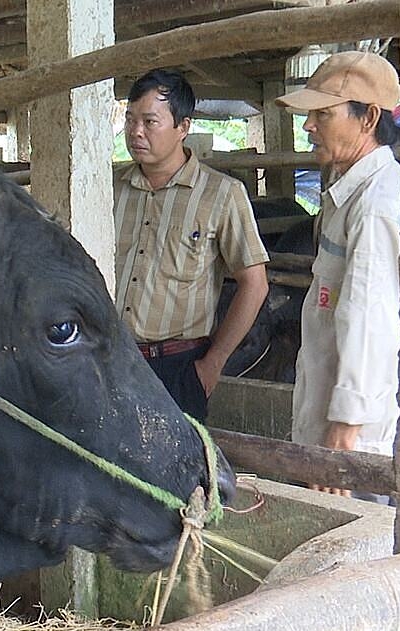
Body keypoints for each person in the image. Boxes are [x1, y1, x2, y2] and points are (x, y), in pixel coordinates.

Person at [275, 51, 400, 495]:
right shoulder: (349, 192)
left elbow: (372, 319)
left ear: (368, 118)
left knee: (358, 532)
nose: (308, 126)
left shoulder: (375, 205)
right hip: (332, 422)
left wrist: (346, 427)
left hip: (354, 439)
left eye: (323, 114)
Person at [114, 69, 270, 422]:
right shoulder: (110, 188)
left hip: (179, 366)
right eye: (130, 119)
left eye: (150, 122)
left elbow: (255, 284)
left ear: (183, 127)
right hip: (111, 357)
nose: (136, 131)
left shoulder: (221, 194)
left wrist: (213, 363)